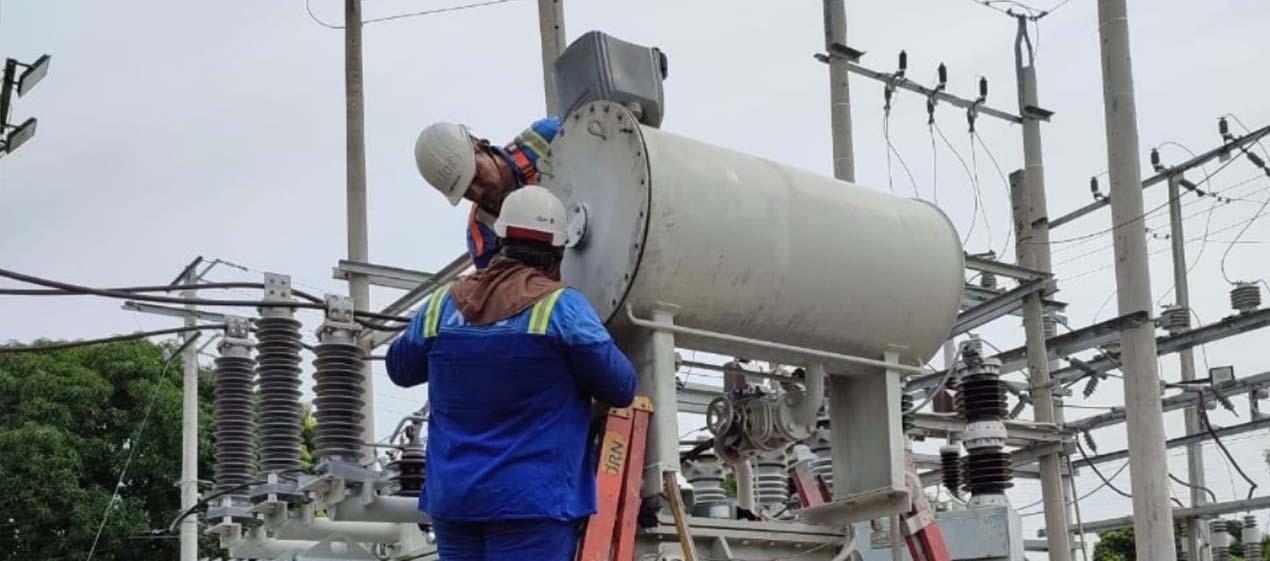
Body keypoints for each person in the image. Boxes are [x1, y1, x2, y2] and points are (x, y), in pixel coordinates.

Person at [386, 185, 637, 561]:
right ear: (556, 252)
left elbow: (399, 368)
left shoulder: (441, 305)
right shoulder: (562, 308)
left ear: (499, 239)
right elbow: (621, 387)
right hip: (532, 503)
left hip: (456, 501)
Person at [414, 118, 561, 269]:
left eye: (476, 177)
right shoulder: (483, 236)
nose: (478, 193)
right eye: (466, 192)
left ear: (482, 145)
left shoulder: (546, 137)